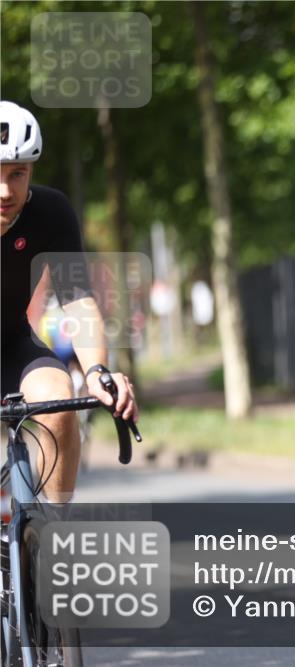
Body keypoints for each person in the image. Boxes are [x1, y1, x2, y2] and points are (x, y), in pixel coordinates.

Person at [1, 100, 138, 503]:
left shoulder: (51, 212)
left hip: (11, 345)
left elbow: (78, 300)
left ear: (32, 172)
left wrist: (96, 371)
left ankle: (52, 535)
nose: (5, 190)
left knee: (59, 401)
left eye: (17, 173)